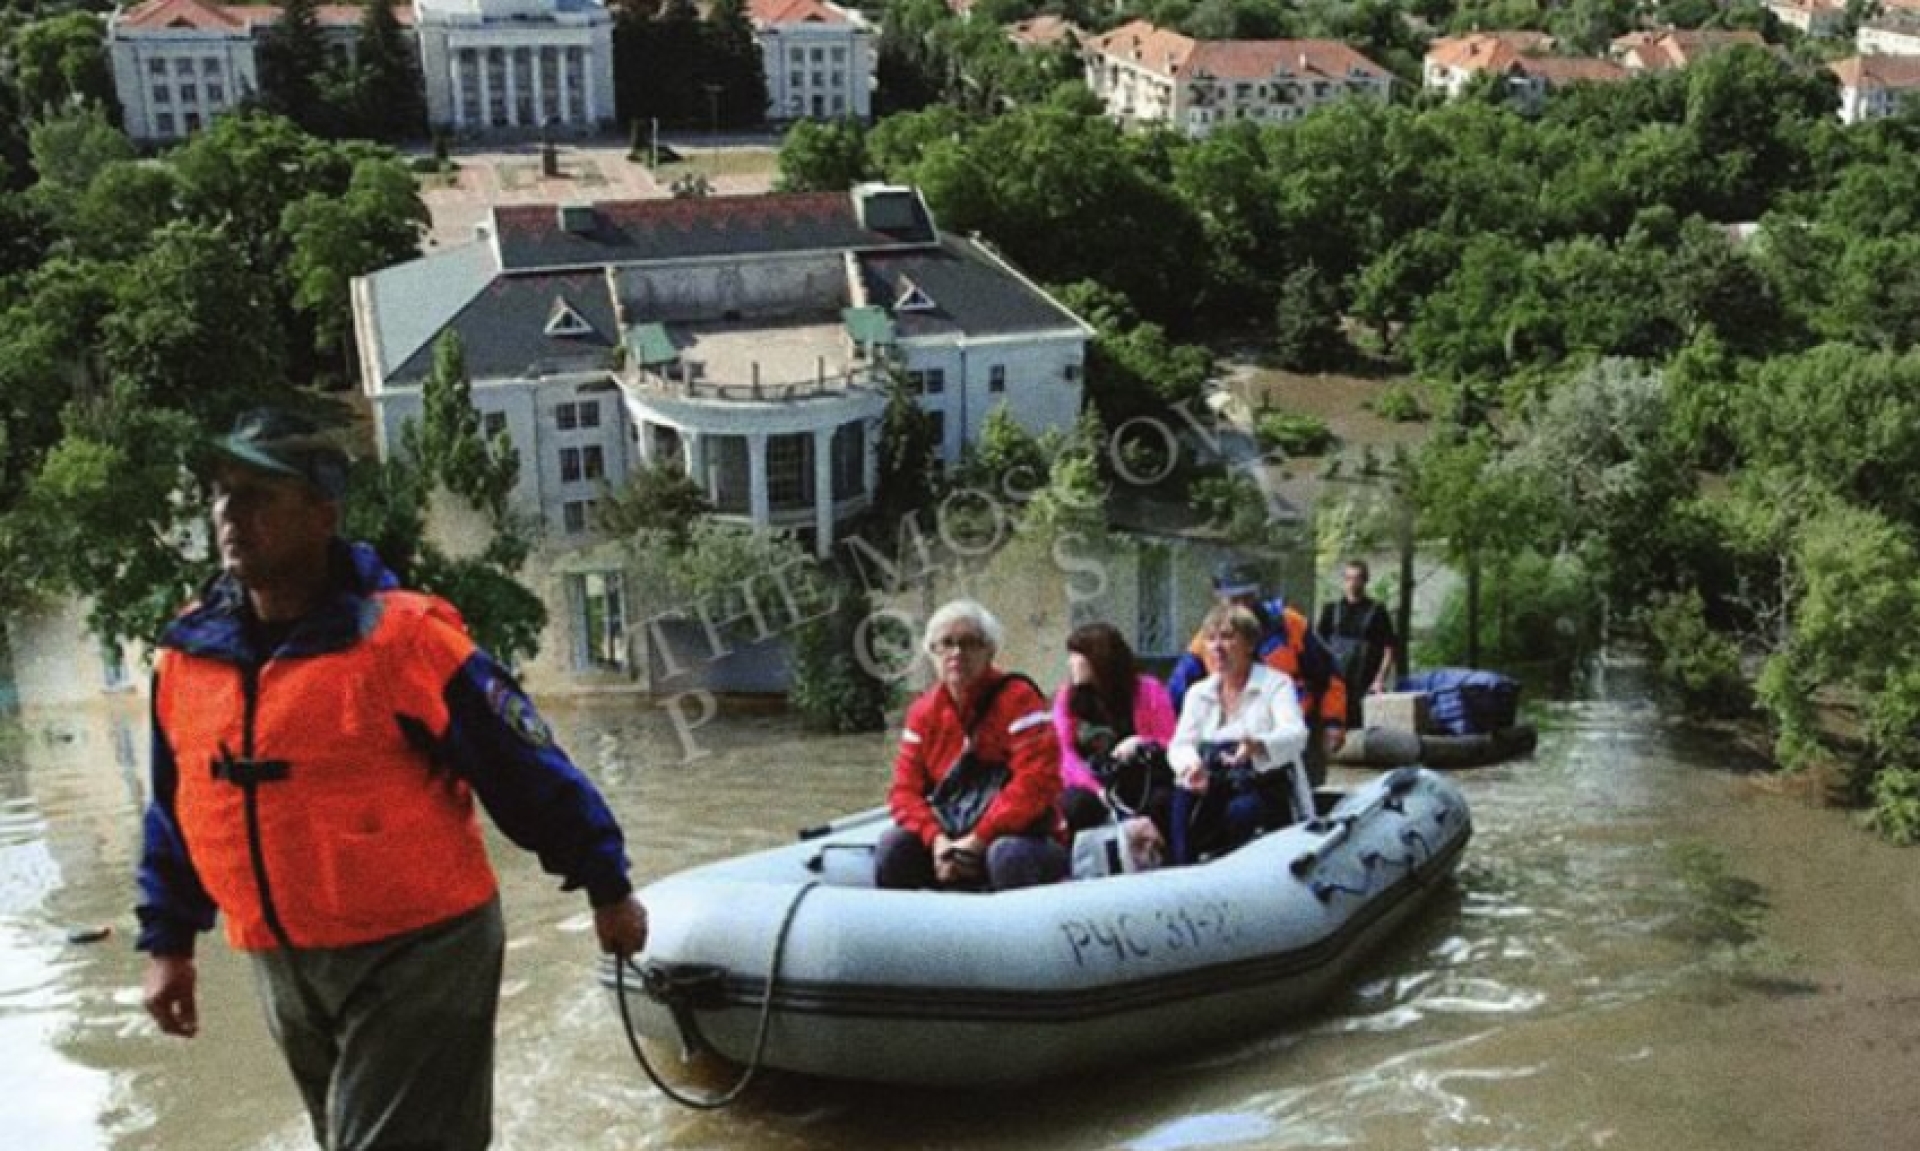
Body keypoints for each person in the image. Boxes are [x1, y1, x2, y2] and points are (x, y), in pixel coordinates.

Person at [135, 409, 647, 1151]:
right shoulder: (188, 656)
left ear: (322, 513)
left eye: (257, 494)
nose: (229, 514)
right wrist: (168, 943)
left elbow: (526, 768)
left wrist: (607, 883)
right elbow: (178, 807)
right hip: (281, 956)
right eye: (220, 494)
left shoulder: (402, 640)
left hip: (419, 954)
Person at [876, 600, 1067, 891]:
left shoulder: (1019, 700)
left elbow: (1036, 782)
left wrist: (978, 840)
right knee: (894, 847)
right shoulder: (923, 712)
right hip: (949, 835)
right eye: (946, 644)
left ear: (990, 650)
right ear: (932, 654)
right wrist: (937, 840)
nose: (956, 653)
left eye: (969, 643)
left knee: (1008, 856)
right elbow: (904, 792)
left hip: (1021, 838)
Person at [1167, 561, 1348, 785]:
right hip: (1236, 743)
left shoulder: (1289, 624)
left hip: (1296, 729)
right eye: (1234, 600)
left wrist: (1334, 722)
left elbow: (1329, 674)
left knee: (1304, 792)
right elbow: (1176, 693)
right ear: (1219, 598)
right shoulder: (1209, 642)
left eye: (1248, 598)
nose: (1243, 606)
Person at [1166, 604, 1312, 866]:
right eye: (1210, 639)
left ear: (1250, 644)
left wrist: (1258, 746)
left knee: (1241, 812)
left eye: (1227, 637)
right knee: (1179, 800)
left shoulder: (1276, 683)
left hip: (1263, 782)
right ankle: (1181, 872)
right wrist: (1191, 766)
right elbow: (1180, 744)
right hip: (1213, 781)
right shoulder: (1198, 693)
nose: (1217, 647)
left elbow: (1296, 735)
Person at [1050, 622, 1177, 839]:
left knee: (1163, 801)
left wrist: (1140, 741)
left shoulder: (1148, 690)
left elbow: (1171, 741)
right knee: (1074, 805)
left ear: (1097, 658)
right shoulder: (1068, 698)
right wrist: (1096, 789)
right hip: (1090, 783)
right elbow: (1063, 752)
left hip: (1139, 778)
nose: (1070, 663)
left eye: (1076, 655)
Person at [1315, 559, 1401, 728]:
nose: (1353, 583)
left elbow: (1389, 648)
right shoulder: (1330, 610)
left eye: (1358, 578)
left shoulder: (1377, 611)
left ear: (1365, 580)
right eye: (1349, 578)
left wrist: (1379, 679)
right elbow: (1317, 647)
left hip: (1365, 686)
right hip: (1335, 685)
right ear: (1344, 581)